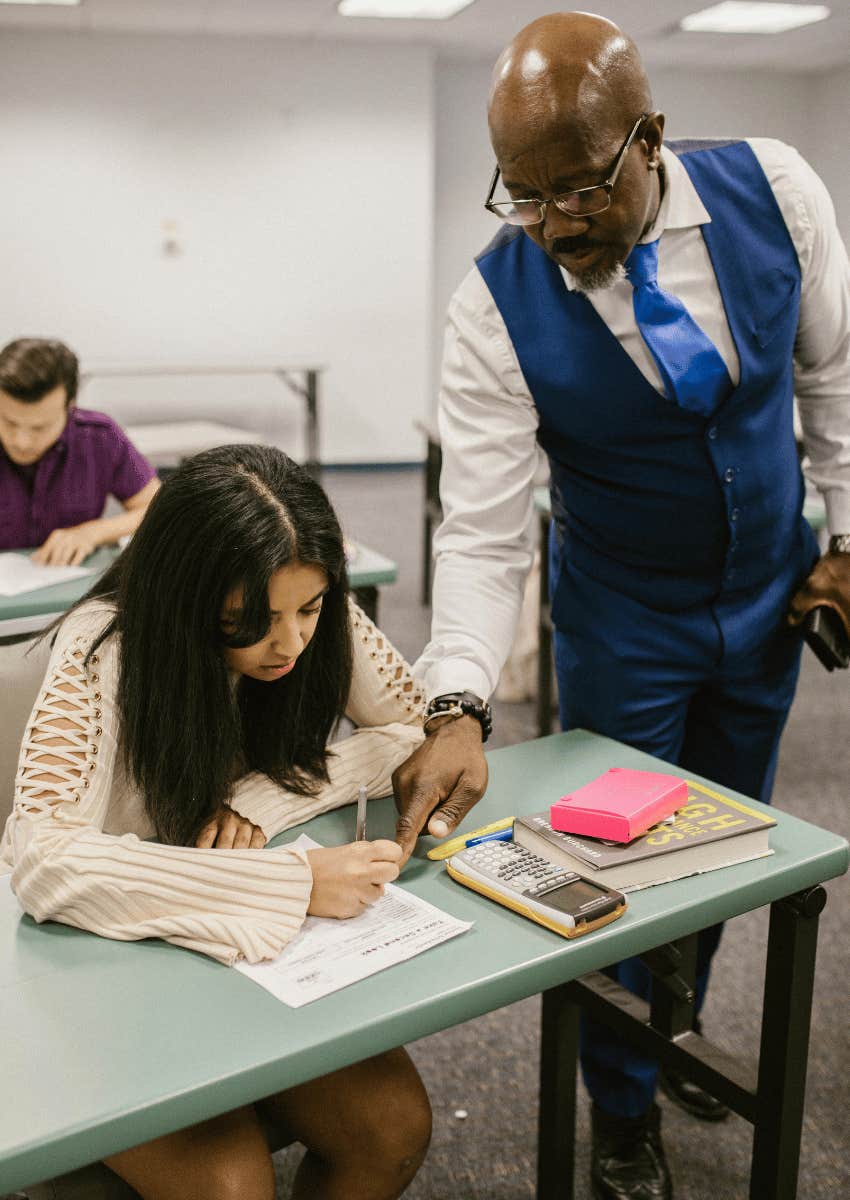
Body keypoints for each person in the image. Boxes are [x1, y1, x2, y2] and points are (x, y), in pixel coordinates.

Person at [392, 12, 850, 1200]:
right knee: (610, 870)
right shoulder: (492, 307)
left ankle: (676, 1022)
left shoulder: (779, 195)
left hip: (766, 602)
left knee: (724, 842)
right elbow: (483, 531)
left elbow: (833, 381)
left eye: (576, 193)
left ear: (648, 137)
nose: (550, 226)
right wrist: (455, 700)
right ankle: (621, 1105)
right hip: (621, 619)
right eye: (523, 199)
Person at [0, 444, 431, 1200]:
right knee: (229, 1187)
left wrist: (260, 802)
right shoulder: (104, 644)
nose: (291, 642)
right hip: (105, 964)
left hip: (233, 954)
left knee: (392, 1128)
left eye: (310, 609)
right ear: (185, 596)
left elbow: (418, 736)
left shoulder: (307, 608)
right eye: (250, 622)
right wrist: (286, 880)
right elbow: (42, 858)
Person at [0, 337, 160, 564]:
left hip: (71, 585)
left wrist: (92, 533)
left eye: (39, 428)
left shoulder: (99, 437)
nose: (21, 441)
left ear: (70, 407)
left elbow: (155, 508)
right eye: (9, 422)